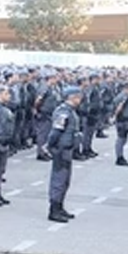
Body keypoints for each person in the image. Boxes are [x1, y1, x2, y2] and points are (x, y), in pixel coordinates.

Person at [46, 86, 84, 223]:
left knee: (65, 181)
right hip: (61, 149)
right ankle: (54, 210)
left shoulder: (71, 111)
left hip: (68, 149)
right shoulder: (63, 112)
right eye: (78, 97)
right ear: (72, 97)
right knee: (58, 181)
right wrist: (51, 146)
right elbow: (56, 132)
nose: (80, 99)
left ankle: (60, 206)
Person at [110, 79, 128, 167]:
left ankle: (120, 155)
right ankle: (119, 157)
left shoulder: (125, 96)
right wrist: (114, 117)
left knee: (123, 138)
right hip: (122, 120)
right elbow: (119, 107)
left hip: (125, 120)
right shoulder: (123, 96)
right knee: (121, 138)